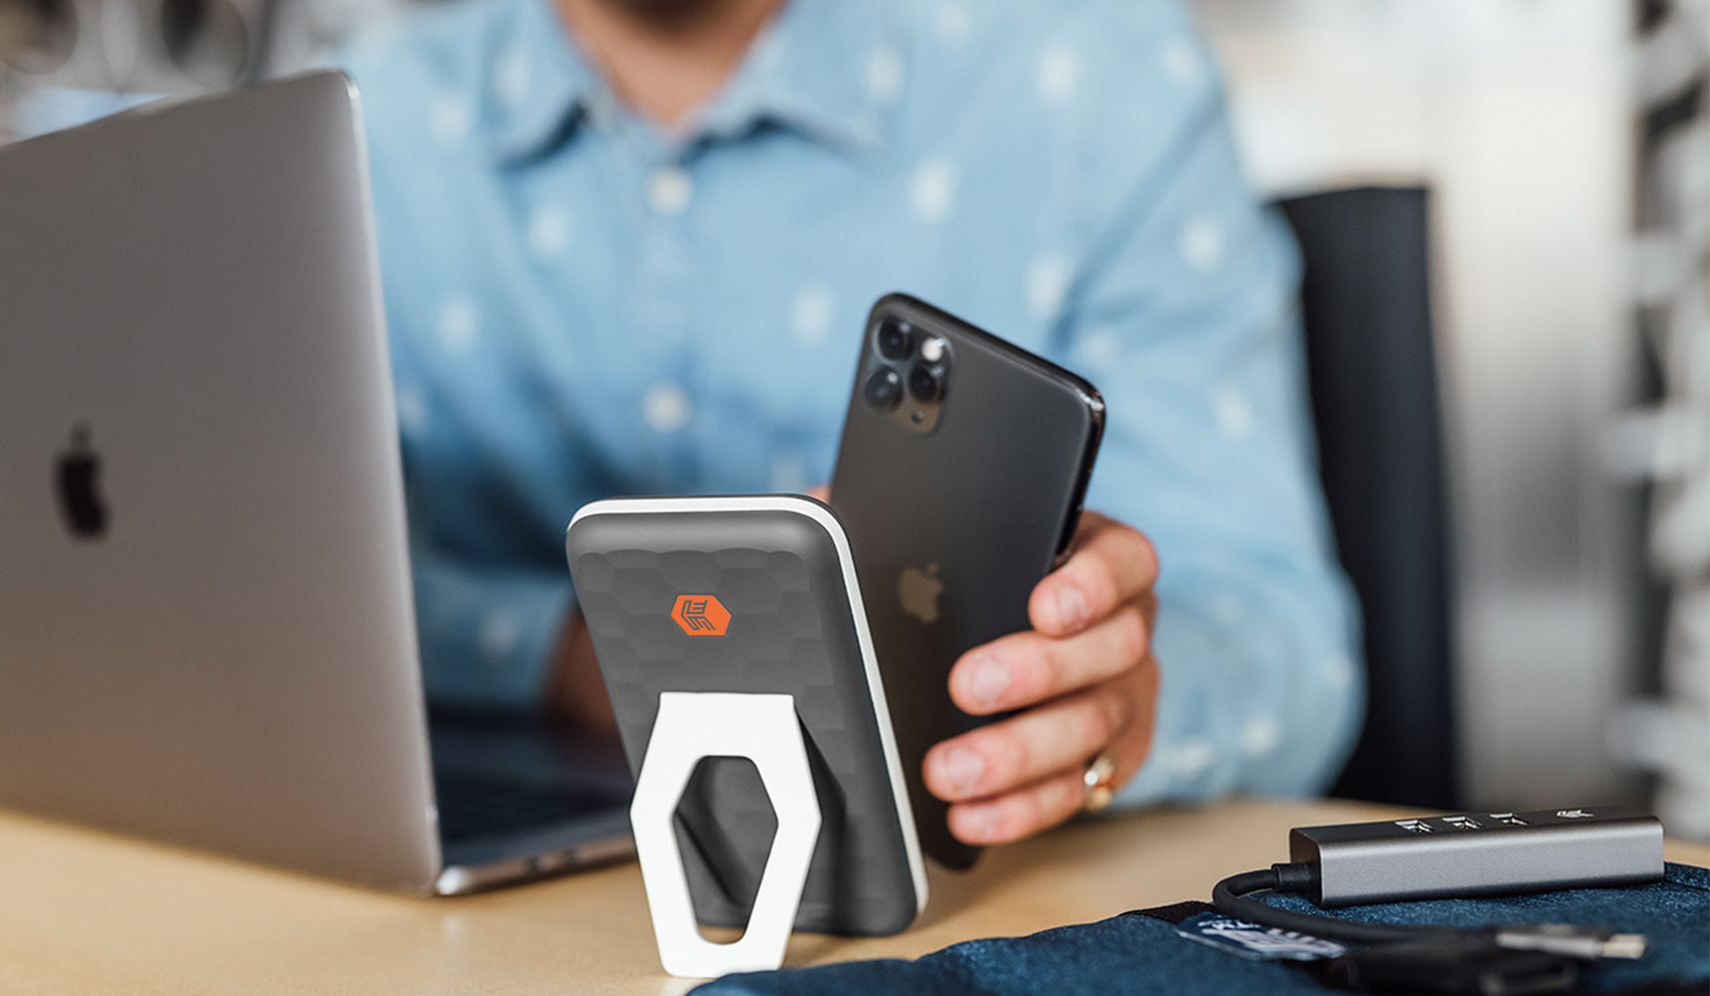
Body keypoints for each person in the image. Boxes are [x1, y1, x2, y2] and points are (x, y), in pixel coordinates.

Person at [337, 0, 1363, 848]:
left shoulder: (1099, 86)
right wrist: (580, 653)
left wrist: (1121, 707)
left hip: (963, 911)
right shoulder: (356, 127)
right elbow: (261, 593)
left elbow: (1287, 642)